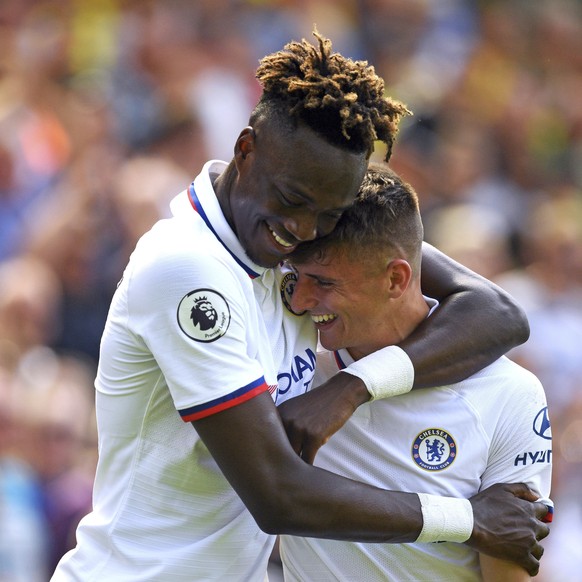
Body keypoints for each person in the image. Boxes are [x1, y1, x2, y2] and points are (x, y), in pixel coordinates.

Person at [51, 32, 549, 581]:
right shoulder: (187, 268)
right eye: (293, 202)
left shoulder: (282, 229)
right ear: (246, 150)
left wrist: (352, 387)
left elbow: (497, 313)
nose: (303, 231)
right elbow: (278, 495)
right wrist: (470, 520)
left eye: (328, 215)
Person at [279, 165, 553, 581]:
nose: (300, 300)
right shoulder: (287, 356)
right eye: (296, 277)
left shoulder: (510, 393)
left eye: (323, 282)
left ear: (396, 278)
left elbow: (508, 566)